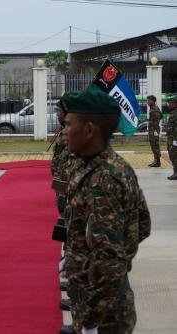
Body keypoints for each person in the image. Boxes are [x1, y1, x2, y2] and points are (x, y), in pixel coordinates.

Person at [61, 87, 151, 334]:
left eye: (68, 125)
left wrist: (91, 321)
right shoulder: (108, 165)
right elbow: (142, 223)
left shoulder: (103, 180)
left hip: (104, 313)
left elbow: (110, 261)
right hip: (102, 298)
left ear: (89, 130)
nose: (64, 132)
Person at [138, 95, 163, 167]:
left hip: (154, 131)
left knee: (155, 146)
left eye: (148, 100)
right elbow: (154, 118)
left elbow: (158, 118)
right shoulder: (153, 108)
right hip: (152, 130)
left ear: (152, 101)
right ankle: (156, 161)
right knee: (153, 146)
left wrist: (154, 130)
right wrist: (142, 121)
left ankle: (157, 162)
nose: (147, 102)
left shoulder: (155, 109)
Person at [166, 95, 177, 180]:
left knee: (174, 155)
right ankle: (175, 172)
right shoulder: (173, 113)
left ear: (174, 104)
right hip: (171, 138)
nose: (168, 105)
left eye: (169, 103)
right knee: (172, 155)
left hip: (175, 139)